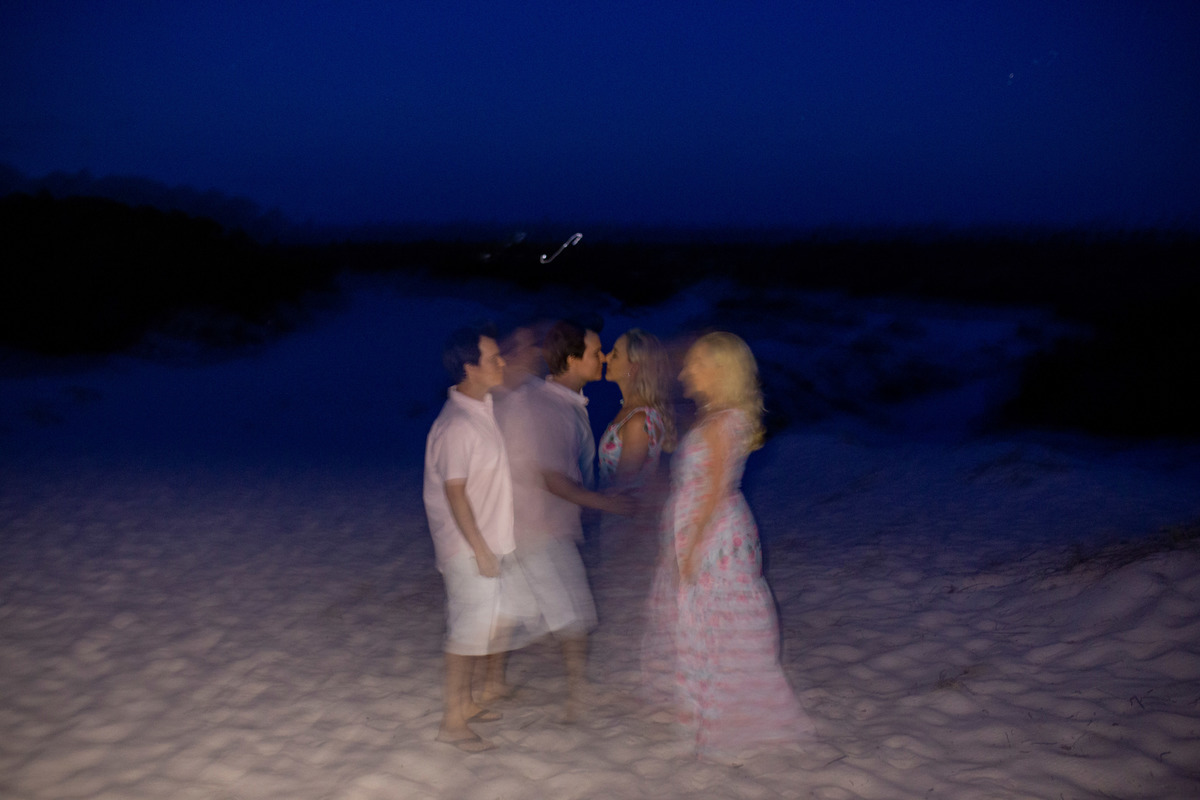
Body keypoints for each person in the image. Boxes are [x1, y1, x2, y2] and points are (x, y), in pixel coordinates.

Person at [642, 331, 814, 760]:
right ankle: (705, 712)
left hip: (716, 533)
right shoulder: (713, 416)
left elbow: (715, 492)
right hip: (700, 529)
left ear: (720, 370)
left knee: (719, 621)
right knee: (701, 622)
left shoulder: (726, 421)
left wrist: (694, 546)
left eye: (696, 364)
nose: (685, 371)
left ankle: (731, 718)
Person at [497, 319, 628, 720]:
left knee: (513, 610)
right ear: (571, 360)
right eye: (594, 352)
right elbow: (552, 478)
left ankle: (491, 685)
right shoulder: (551, 407)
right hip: (540, 528)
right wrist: (607, 503)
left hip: (527, 525)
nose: (602, 357)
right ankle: (577, 700)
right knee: (575, 613)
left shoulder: (552, 402)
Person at [423, 325, 535, 752]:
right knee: (466, 632)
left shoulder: (479, 410)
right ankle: (452, 722)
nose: (501, 362)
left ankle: (467, 704)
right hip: (468, 548)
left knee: (484, 625)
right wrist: (481, 550)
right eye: (493, 358)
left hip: (487, 543)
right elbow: (455, 492)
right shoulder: (457, 425)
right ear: (470, 368)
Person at [595, 329, 676, 571]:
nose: (607, 358)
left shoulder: (639, 420)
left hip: (628, 532)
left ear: (635, 367)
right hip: (622, 525)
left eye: (616, 354)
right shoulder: (631, 413)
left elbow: (625, 485)